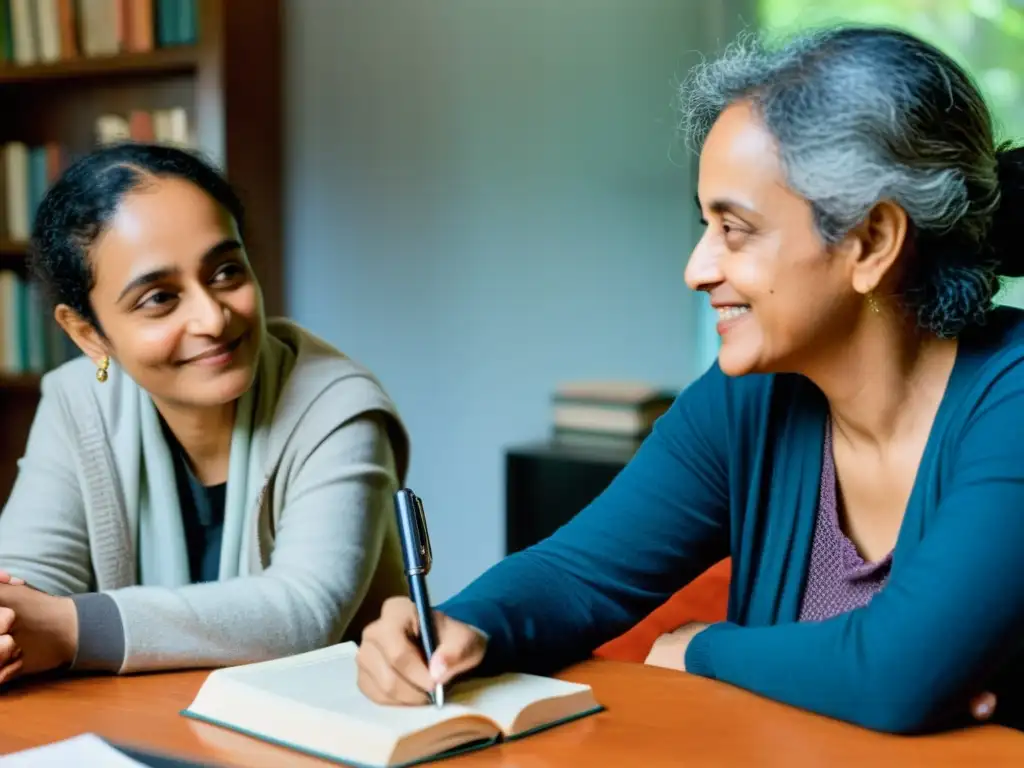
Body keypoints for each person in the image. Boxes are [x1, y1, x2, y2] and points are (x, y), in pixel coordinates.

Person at [355, 24, 1024, 735]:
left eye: (735, 231)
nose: (697, 269)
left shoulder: (1010, 402)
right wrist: (458, 628)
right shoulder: (751, 396)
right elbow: (578, 574)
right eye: (704, 224)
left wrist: (700, 647)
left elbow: (895, 672)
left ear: (872, 241)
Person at [0, 143, 410, 683]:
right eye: (159, 298)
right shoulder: (76, 400)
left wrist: (70, 627)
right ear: (88, 333)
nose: (212, 319)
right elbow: (25, 586)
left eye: (225, 272)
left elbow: (305, 612)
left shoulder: (338, 403)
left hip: (322, 728)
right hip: (135, 726)